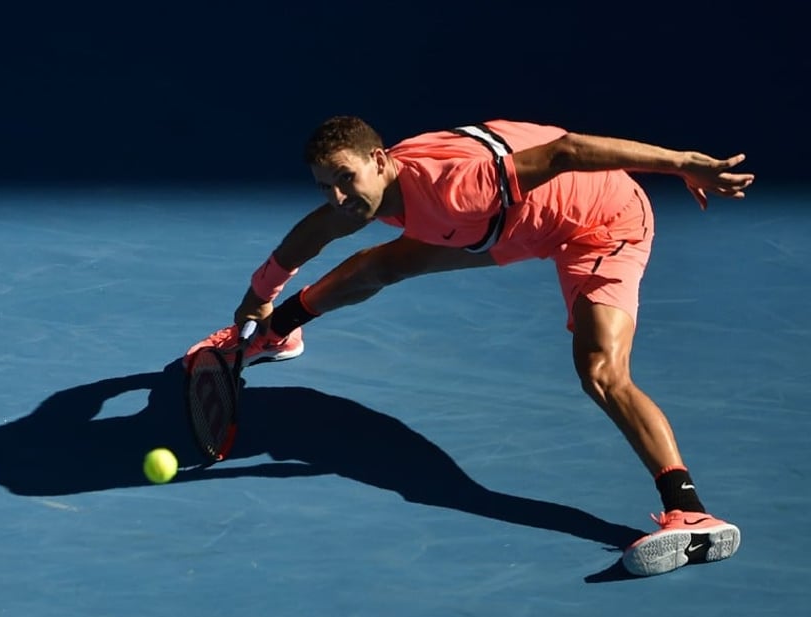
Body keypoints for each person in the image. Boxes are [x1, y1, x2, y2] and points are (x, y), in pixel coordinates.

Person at [184, 116, 754, 576]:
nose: (337, 196)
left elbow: (568, 150)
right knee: (379, 265)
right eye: (324, 185)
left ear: (380, 162)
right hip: (512, 221)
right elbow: (316, 230)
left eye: (345, 179)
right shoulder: (367, 195)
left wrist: (684, 165)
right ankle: (275, 332)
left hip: (601, 221)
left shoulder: (456, 187)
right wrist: (259, 294)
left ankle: (694, 516)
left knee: (600, 371)